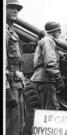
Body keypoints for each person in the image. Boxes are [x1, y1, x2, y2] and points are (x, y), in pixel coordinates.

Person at [30, 21, 64, 110]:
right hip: (46, 79)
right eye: (58, 30)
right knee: (50, 110)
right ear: (54, 31)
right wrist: (58, 78)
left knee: (43, 110)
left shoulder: (45, 40)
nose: (60, 33)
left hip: (41, 78)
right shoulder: (48, 41)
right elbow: (50, 62)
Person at [6, 0, 25, 135]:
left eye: (17, 8)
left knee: (18, 120)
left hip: (16, 81)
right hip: (9, 83)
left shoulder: (11, 29)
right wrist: (6, 89)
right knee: (11, 122)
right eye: (11, 7)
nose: (15, 11)